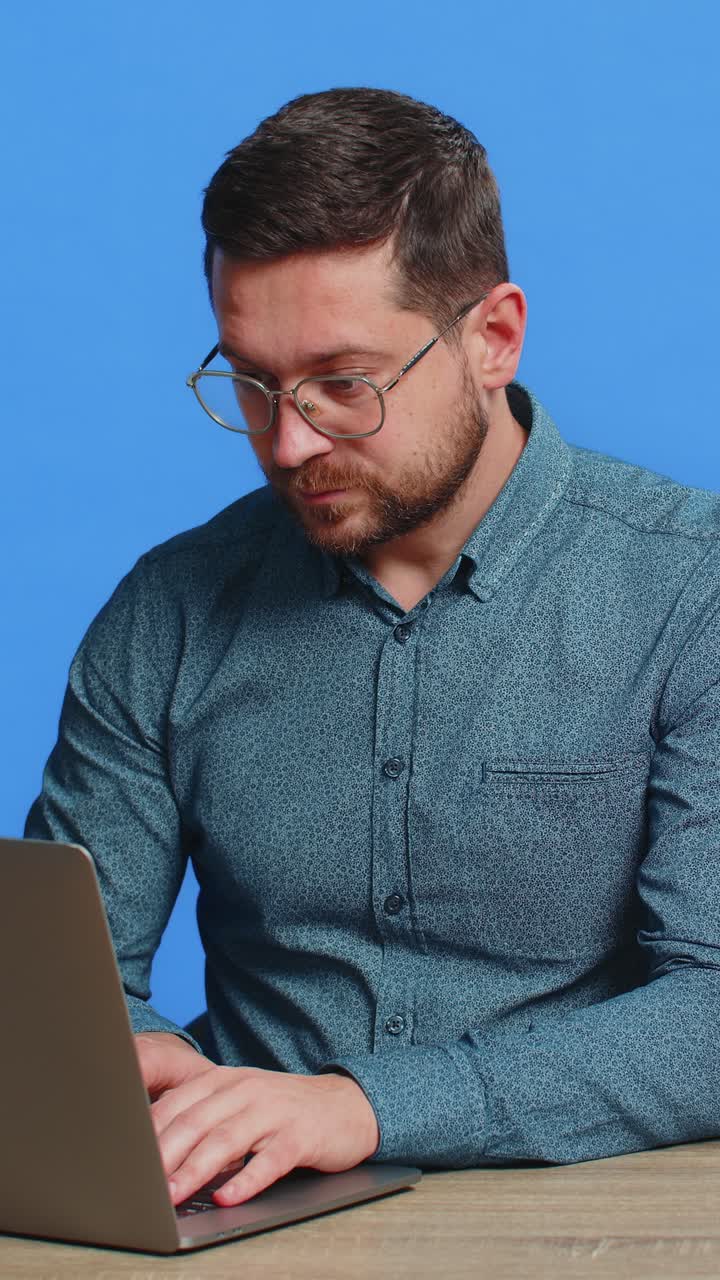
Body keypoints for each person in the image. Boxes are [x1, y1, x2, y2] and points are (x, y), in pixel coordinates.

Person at [26, 86, 720, 1210]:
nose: (291, 441)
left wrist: (363, 1104)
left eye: (345, 384)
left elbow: (714, 1011)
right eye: (252, 383)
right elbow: (68, 984)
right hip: (245, 1212)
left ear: (493, 338)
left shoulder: (693, 588)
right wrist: (131, 1057)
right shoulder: (167, 611)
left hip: (594, 1215)